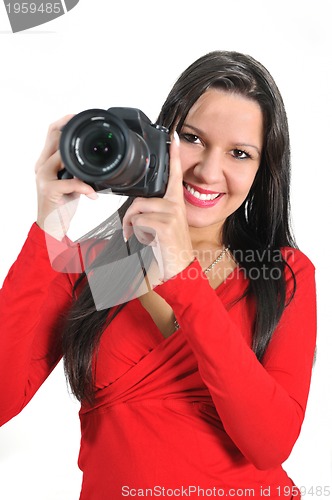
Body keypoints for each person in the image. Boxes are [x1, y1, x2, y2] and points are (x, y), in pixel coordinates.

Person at [0, 51, 316, 499]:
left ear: (262, 171)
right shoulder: (98, 264)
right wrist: (49, 227)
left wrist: (183, 276)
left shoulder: (280, 273)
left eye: (240, 153)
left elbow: (270, 443)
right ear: (158, 138)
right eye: (193, 138)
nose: (208, 171)